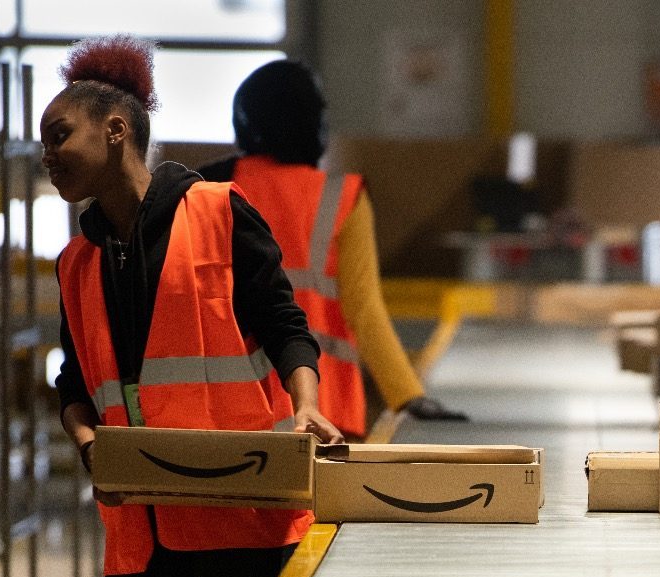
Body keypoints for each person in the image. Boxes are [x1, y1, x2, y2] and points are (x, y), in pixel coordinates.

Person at [43, 36, 341, 577]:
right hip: (140, 519)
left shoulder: (217, 211)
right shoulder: (76, 262)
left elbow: (285, 324)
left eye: (59, 136)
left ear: (116, 129)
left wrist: (306, 406)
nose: (48, 156)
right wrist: (88, 442)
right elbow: (73, 382)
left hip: (239, 503)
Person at [198, 59, 467, 439]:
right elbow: (364, 308)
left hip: (233, 402)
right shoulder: (342, 198)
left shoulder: (209, 187)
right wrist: (408, 396)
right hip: (321, 408)